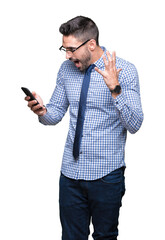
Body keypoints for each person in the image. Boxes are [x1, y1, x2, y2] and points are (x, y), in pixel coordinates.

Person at [25, 16, 144, 240]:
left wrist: (114, 89)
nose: (67, 55)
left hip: (106, 176)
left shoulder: (124, 71)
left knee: (105, 237)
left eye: (71, 49)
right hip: (70, 176)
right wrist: (42, 111)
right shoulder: (66, 69)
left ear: (91, 44)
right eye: (64, 48)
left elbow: (135, 124)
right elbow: (56, 113)